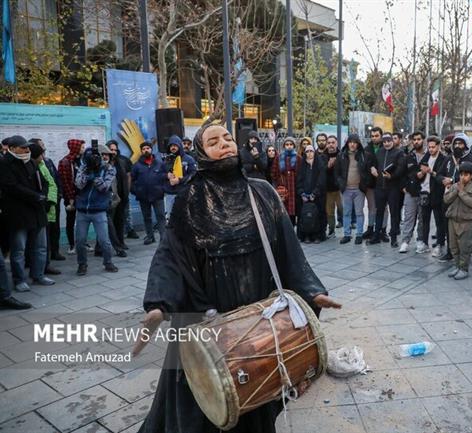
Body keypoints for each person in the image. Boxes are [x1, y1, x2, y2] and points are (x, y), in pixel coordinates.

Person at [133, 123, 341, 433]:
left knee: (253, 394)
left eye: (228, 138)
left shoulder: (262, 192)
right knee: (201, 406)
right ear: (202, 153)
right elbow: (170, 256)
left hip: (255, 321)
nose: (225, 144)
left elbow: (289, 250)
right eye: (214, 141)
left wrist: (310, 292)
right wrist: (158, 305)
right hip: (207, 315)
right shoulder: (189, 199)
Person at [0, 136, 54, 291]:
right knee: (19, 249)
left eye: (27, 147)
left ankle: (38, 275)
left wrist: (43, 195)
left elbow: (43, 181)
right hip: (18, 213)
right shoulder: (5, 163)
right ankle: (19, 280)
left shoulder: (30, 161)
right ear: (12, 148)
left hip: (37, 211)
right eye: (23, 147)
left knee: (41, 246)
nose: (27, 150)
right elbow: (11, 187)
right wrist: (35, 196)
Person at [74, 144, 119, 276]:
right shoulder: (84, 166)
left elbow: (104, 187)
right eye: (101, 154)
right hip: (83, 210)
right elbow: (79, 184)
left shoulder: (110, 169)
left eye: (107, 155)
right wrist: (88, 172)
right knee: (80, 241)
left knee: (104, 240)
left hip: (99, 210)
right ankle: (82, 264)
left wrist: (97, 175)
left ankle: (108, 262)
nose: (104, 157)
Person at [30, 138, 65, 262]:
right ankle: (43, 260)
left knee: (55, 229)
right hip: (44, 203)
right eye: (41, 146)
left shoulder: (48, 161)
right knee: (44, 233)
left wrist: (59, 194)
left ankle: (54, 252)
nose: (44, 148)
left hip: (54, 200)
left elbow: (55, 178)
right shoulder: (33, 165)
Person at [445, 162, 472, 280]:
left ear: (471, 176)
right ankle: (456, 265)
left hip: (466, 221)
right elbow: (446, 199)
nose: (463, 177)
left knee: (465, 246)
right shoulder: (455, 186)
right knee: (453, 246)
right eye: (461, 174)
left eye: (466, 175)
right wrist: (455, 190)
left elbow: (471, 202)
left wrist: (461, 192)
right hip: (452, 219)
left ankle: (464, 268)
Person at [368, 133, 405, 247]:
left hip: (393, 188)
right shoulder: (379, 152)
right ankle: (376, 235)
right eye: (384, 141)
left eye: (389, 141)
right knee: (379, 212)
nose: (387, 143)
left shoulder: (399, 153)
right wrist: (372, 168)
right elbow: (373, 163)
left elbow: (401, 168)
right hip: (380, 187)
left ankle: (393, 237)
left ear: (392, 141)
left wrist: (391, 176)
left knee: (394, 213)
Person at [131, 141, 168, 245]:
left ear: (151, 149)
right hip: (143, 197)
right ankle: (150, 236)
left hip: (158, 195)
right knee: (147, 217)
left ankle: (163, 237)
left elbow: (165, 178)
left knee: (161, 216)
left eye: (147, 148)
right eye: (143, 149)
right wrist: (137, 192)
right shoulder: (137, 166)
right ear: (141, 151)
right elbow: (131, 181)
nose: (146, 150)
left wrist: (163, 189)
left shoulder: (160, 164)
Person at [417, 136, 448, 256]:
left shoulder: (444, 159)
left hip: (437, 193)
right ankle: (424, 242)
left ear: (439, 146)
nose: (431, 149)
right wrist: (421, 173)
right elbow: (419, 174)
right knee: (424, 220)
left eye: (433, 147)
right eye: (429, 147)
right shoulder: (426, 157)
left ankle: (440, 244)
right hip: (425, 192)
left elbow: (442, 176)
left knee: (439, 220)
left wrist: (431, 172)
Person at [336, 134, 369, 245]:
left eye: (355, 142)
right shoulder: (341, 156)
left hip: (359, 189)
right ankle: (347, 235)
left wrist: (364, 184)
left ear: (358, 144)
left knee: (359, 213)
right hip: (346, 189)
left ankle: (359, 234)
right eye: (350, 142)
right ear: (347, 143)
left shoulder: (364, 155)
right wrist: (341, 184)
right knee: (346, 213)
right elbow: (337, 173)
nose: (352, 144)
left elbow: (367, 172)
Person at [399, 131, 426, 253]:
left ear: (423, 140)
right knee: (408, 217)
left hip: (425, 191)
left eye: (418, 139)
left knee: (422, 218)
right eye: (414, 139)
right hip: (410, 191)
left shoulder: (429, 155)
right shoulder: (408, 156)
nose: (416, 142)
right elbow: (402, 173)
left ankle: (421, 241)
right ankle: (405, 241)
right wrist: (404, 186)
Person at [58, 139, 85, 254]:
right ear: (76, 148)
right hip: (71, 197)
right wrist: (71, 198)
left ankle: (83, 242)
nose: (84, 149)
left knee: (83, 220)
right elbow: (65, 182)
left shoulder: (82, 161)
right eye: (82, 147)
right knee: (70, 220)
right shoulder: (65, 162)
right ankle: (72, 245)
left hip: (82, 196)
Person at [296, 144, 326, 243]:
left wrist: (315, 193)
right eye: (307, 151)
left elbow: (321, 181)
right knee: (305, 216)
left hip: (318, 196)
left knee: (318, 215)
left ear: (314, 152)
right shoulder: (302, 165)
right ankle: (306, 236)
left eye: (311, 151)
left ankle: (317, 235)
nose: (309, 153)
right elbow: (299, 181)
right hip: (305, 196)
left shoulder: (320, 164)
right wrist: (302, 193)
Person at [163, 135, 197, 216]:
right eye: (171, 146)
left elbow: (194, 174)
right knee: (170, 219)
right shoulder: (166, 160)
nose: (173, 147)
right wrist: (166, 175)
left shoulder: (188, 159)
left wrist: (180, 180)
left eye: (175, 145)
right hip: (169, 195)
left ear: (179, 146)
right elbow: (159, 174)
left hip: (184, 194)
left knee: (185, 219)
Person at [271, 137, 302, 226]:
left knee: (295, 211)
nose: (289, 146)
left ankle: (294, 232)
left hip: (295, 188)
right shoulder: (278, 157)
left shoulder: (298, 158)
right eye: (287, 144)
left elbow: (301, 173)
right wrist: (279, 183)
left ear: (294, 146)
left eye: (291, 144)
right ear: (284, 146)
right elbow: (273, 173)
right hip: (283, 189)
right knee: (284, 211)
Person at [107, 140, 131, 252]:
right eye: (111, 150)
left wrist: (126, 192)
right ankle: (101, 247)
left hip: (121, 196)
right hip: (109, 199)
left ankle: (121, 242)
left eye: (115, 150)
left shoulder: (121, 162)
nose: (113, 152)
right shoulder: (104, 163)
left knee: (119, 221)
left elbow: (126, 177)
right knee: (108, 223)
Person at [363, 127, 383, 239]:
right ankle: (370, 228)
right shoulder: (366, 149)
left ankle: (382, 230)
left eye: (377, 136)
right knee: (371, 207)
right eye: (372, 136)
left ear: (381, 136)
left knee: (383, 208)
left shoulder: (386, 147)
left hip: (383, 182)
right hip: (370, 184)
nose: (374, 138)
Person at [322, 135, 343, 237]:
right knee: (329, 211)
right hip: (328, 188)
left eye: (333, 142)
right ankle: (331, 230)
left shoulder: (342, 155)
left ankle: (346, 229)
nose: (331, 145)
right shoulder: (323, 156)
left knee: (343, 208)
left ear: (336, 143)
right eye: (329, 142)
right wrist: (328, 166)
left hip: (340, 189)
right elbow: (321, 172)